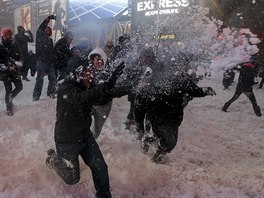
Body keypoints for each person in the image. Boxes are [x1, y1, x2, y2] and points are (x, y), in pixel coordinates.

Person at [45, 60, 125, 198]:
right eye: (87, 72)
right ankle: (53, 159)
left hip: (84, 136)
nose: (91, 75)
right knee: (72, 179)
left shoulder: (86, 87)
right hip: (67, 140)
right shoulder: (66, 88)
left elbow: (102, 95)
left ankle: (103, 195)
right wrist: (104, 86)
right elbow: (79, 99)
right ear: (78, 73)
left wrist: (125, 87)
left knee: (100, 167)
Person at [134, 59, 216, 164]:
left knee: (171, 143)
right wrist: (139, 124)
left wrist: (205, 91)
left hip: (174, 117)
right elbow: (140, 107)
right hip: (158, 117)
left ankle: (154, 150)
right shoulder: (157, 84)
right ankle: (153, 155)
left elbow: (194, 90)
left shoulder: (182, 81)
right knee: (169, 142)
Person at [32, 15, 57, 101]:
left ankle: (51, 93)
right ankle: (36, 96)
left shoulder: (50, 40)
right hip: (41, 61)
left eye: (48, 29)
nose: (47, 29)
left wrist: (53, 60)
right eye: (46, 29)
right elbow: (41, 27)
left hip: (49, 62)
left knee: (53, 78)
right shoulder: (40, 36)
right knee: (40, 79)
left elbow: (51, 52)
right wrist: (48, 19)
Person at [0, 27, 23, 116]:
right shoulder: (0, 46)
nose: (9, 37)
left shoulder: (14, 44)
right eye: (7, 36)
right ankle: (9, 108)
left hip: (14, 70)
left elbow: (20, 55)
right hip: (5, 72)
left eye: (10, 35)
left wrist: (19, 62)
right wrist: (2, 66)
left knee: (19, 87)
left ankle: (9, 99)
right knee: (8, 90)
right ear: (3, 36)